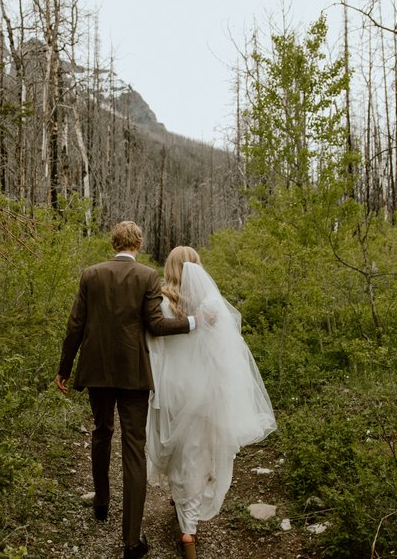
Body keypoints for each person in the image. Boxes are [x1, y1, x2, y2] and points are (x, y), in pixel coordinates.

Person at [55, 222, 197, 559]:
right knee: (134, 448)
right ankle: (132, 541)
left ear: (113, 243)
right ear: (139, 243)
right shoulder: (147, 276)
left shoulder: (90, 274)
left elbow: (75, 324)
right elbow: (156, 325)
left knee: (101, 431)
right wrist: (193, 323)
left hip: (96, 370)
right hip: (133, 373)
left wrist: (64, 368)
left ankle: (101, 504)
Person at [146, 246, 276, 559]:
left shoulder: (161, 302)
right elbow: (226, 356)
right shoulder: (210, 304)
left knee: (177, 449)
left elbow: (154, 346)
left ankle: (182, 505)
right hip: (202, 389)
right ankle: (188, 531)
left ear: (170, 267)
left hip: (172, 387)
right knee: (197, 452)